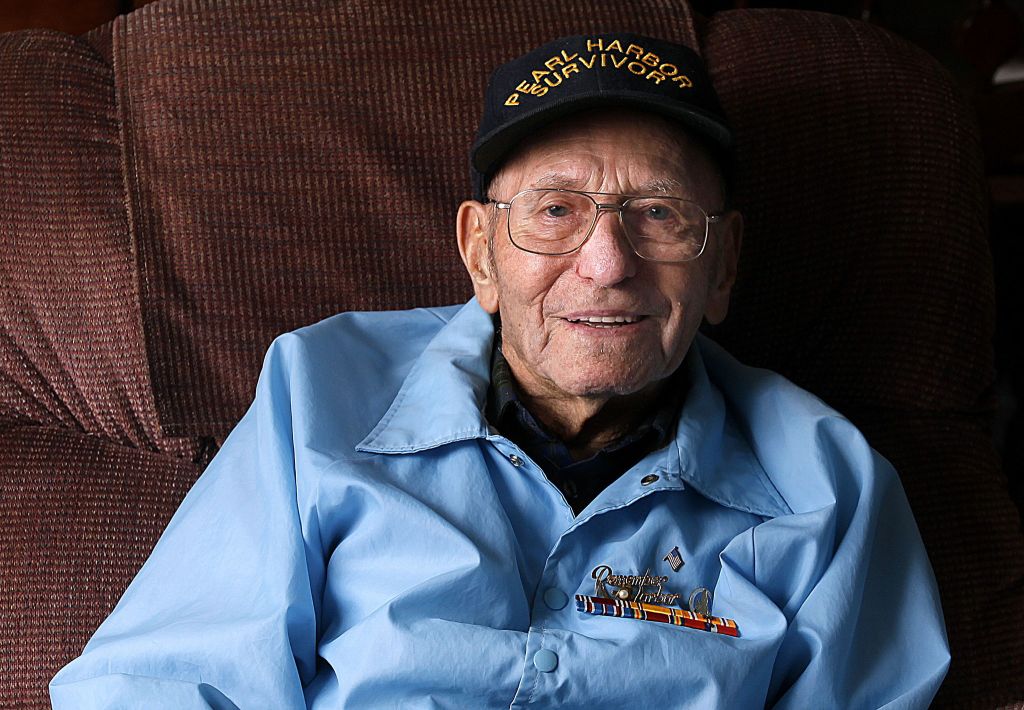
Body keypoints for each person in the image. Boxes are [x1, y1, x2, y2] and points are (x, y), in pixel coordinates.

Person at [50, 33, 950, 708]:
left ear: (723, 266)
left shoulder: (831, 484)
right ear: (480, 251)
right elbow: (157, 685)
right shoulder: (317, 391)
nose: (606, 263)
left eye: (662, 214)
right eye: (556, 210)